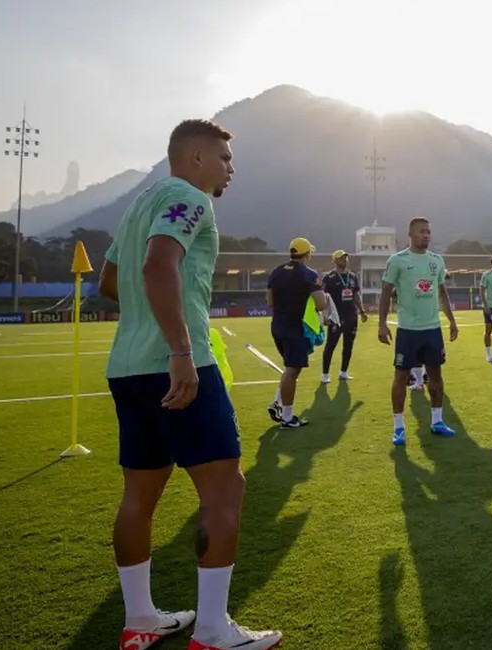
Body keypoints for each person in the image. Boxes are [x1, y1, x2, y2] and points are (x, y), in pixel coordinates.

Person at [98, 119, 281, 650]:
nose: (231, 167)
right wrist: (179, 349)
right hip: (179, 362)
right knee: (225, 491)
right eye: (224, 157)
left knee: (139, 498)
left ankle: (140, 621)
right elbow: (159, 266)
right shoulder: (190, 199)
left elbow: (113, 279)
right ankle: (213, 629)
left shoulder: (141, 201)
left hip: (127, 367)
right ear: (197, 157)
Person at [378, 217, 460, 446]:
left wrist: (452, 321)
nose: (426, 235)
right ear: (411, 235)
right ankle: (399, 428)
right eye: (422, 231)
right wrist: (381, 323)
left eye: (429, 232)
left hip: (433, 329)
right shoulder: (398, 260)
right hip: (408, 330)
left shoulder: (436, 261)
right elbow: (385, 292)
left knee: (436, 378)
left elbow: (442, 292)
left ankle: (437, 421)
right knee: (401, 377)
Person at [266, 237, 339, 428]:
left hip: (278, 325)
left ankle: (277, 403)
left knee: (290, 368)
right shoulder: (309, 274)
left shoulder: (276, 272)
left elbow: (270, 301)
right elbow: (321, 303)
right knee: (292, 370)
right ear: (307, 254)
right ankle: (287, 418)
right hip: (296, 328)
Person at [320, 249, 367, 383]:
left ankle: (343, 372)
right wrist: (325, 315)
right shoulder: (329, 278)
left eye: (346, 258)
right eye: (341, 258)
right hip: (336, 317)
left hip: (351, 316)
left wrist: (362, 311)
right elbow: (323, 297)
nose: (344, 260)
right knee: (331, 346)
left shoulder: (352, 276)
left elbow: (356, 294)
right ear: (334, 261)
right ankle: (325, 374)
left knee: (348, 346)